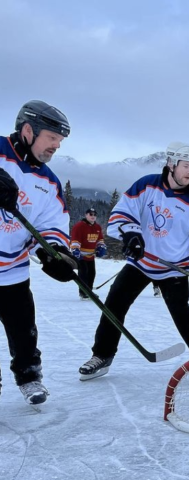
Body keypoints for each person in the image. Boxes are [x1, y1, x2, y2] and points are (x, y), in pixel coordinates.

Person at [78, 142, 189, 380]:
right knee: (114, 305)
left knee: (181, 312)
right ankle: (102, 356)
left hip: (173, 268)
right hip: (141, 262)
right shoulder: (146, 185)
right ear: (171, 164)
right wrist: (132, 233)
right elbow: (123, 212)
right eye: (185, 166)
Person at [0, 100, 77, 406]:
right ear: (29, 131)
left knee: (23, 332)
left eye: (59, 142)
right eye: (52, 138)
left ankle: (29, 376)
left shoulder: (48, 182)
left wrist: (52, 253)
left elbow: (51, 225)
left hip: (13, 271)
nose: (56, 146)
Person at [71, 207, 107, 299]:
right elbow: (75, 239)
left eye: (95, 214)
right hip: (81, 256)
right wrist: (75, 250)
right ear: (86, 215)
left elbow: (100, 239)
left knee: (92, 273)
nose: (93, 216)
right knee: (83, 274)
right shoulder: (79, 226)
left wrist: (101, 247)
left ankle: (89, 291)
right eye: (90, 214)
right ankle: (83, 293)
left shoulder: (97, 227)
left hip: (91, 256)